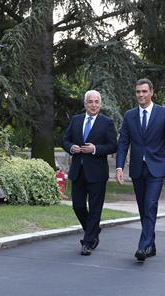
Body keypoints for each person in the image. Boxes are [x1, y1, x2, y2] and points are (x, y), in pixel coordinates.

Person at [116, 78, 165, 262]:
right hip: (137, 169)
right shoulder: (129, 115)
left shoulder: (164, 113)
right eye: (138, 92)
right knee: (143, 208)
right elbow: (123, 142)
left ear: (151, 92)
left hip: (157, 168)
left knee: (150, 205)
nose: (141, 95)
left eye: (144, 91)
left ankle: (143, 247)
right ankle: (151, 245)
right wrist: (119, 167)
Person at [62, 90, 117, 256]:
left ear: (100, 104)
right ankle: (93, 231)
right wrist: (71, 147)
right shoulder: (76, 120)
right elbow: (65, 140)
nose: (94, 105)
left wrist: (95, 149)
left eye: (97, 102)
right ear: (85, 104)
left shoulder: (106, 123)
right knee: (78, 206)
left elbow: (113, 145)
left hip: (97, 173)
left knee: (95, 209)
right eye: (90, 102)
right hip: (78, 171)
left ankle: (88, 242)